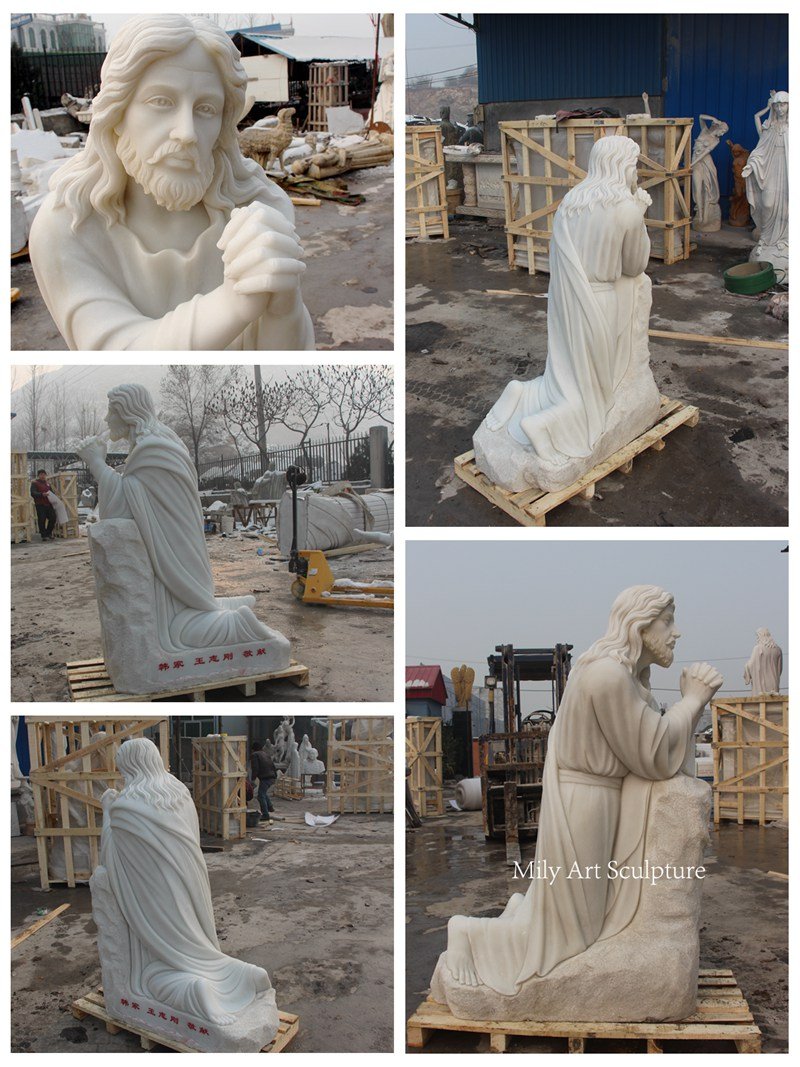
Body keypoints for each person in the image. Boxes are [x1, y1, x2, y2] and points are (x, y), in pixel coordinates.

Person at [443, 585, 723, 993]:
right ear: (641, 626)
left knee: (572, 916)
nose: (675, 632)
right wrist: (693, 701)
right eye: (668, 621)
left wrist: (681, 707)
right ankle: (467, 932)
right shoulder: (607, 675)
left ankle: (522, 913)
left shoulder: (626, 676)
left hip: (599, 800)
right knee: (570, 937)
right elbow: (654, 753)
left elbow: (653, 750)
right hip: (585, 804)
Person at [29, 14, 314, 351]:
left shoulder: (261, 210)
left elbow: (279, 367)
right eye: (160, 102)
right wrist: (233, 303)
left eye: (206, 108)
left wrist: (285, 310)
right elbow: (116, 354)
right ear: (117, 113)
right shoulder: (68, 226)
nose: (187, 133)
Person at [480, 136, 660, 475]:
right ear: (622, 166)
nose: (636, 172)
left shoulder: (574, 201)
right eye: (634, 165)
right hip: (602, 303)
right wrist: (641, 215)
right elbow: (634, 267)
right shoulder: (626, 210)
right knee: (594, 392)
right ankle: (543, 426)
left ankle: (521, 394)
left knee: (564, 376)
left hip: (567, 301)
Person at [76, 383, 287, 654]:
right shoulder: (157, 441)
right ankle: (219, 608)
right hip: (177, 557)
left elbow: (120, 509)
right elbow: (135, 495)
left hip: (175, 564)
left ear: (127, 412)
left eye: (110, 412)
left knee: (179, 634)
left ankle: (238, 625)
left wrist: (96, 463)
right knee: (184, 619)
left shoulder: (152, 449)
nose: (106, 420)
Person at [96, 737, 275, 1025]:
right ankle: (238, 973)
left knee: (158, 968)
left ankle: (197, 991)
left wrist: (107, 810)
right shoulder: (178, 791)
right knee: (199, 945)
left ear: (128, 768)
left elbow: (110, 856)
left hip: (155, 899)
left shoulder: (125, 807)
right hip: (192, 888)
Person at [743, 91, 789, 273]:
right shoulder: (770, 128)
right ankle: (766, 239)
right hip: (770, 170)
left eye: (783, 104)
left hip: (787, 173)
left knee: (787, 209)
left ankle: (784, 242)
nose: (780, 108)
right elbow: (759, 151)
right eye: (776, 105)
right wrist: (751, 165)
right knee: (767, 204)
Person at [691, 114, 729, 232]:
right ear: (717, 127)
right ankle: (700, 214)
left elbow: (704, 153)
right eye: (722, 131)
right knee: (697, 188)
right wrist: (713, 119)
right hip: (696, 163)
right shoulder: (704, 130)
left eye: (724, 133)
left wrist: (691, 164)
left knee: (707, 189)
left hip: (705, 163)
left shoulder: (716, 140)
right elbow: (701, 117)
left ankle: (706, 216)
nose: (722, 134)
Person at [744, 628, 783, 695]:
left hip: (761, 686)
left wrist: (746, 666)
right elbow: (779, 670)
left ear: (761, 636)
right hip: (774, 684)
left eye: (757, 636)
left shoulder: (758, 648)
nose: (757, 638)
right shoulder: (778, 650)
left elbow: (751, 665)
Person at [250, 740, 277, 822]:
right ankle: (270, 807)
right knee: (263, 793)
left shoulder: (255, 755)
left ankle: (265, 814)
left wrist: (252, 780)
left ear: (253, 749)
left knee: (260, 796)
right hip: (272, 776)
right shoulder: (265, 754)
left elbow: (255, 768)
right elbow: (273, 766)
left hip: (266, 777)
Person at [30, 468, 56, 541]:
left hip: (49, 504)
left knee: (53, 518)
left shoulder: (47, 484)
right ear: (38, 475)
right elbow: (33, 493)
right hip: (40, 504)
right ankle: (44, 535)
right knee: (42, 520)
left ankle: (49, 533)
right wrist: (42, 494)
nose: (43, 476)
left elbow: (52, 493)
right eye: (41, 474)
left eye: (44, 474)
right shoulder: (35, 483)